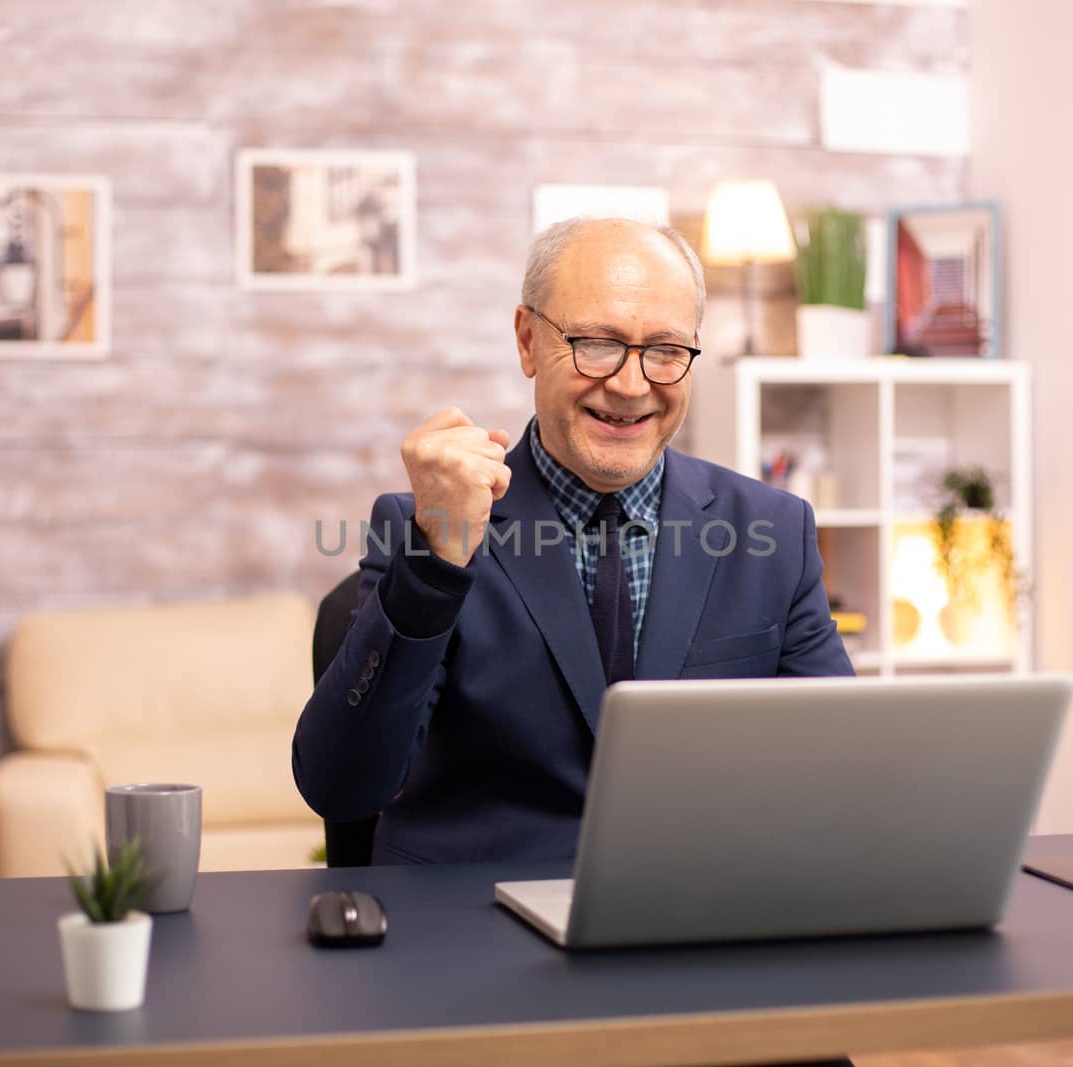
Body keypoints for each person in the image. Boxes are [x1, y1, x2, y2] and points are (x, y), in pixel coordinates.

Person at [294, 217, 854, 866]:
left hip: (697, 922)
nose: (630, 384)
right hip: (476, 938)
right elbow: (341, 786)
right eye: (596, 343)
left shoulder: (775, 531)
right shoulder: (427, 526)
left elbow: (843, 777)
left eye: (666, 350)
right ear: (529, 341)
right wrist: (434, 560)